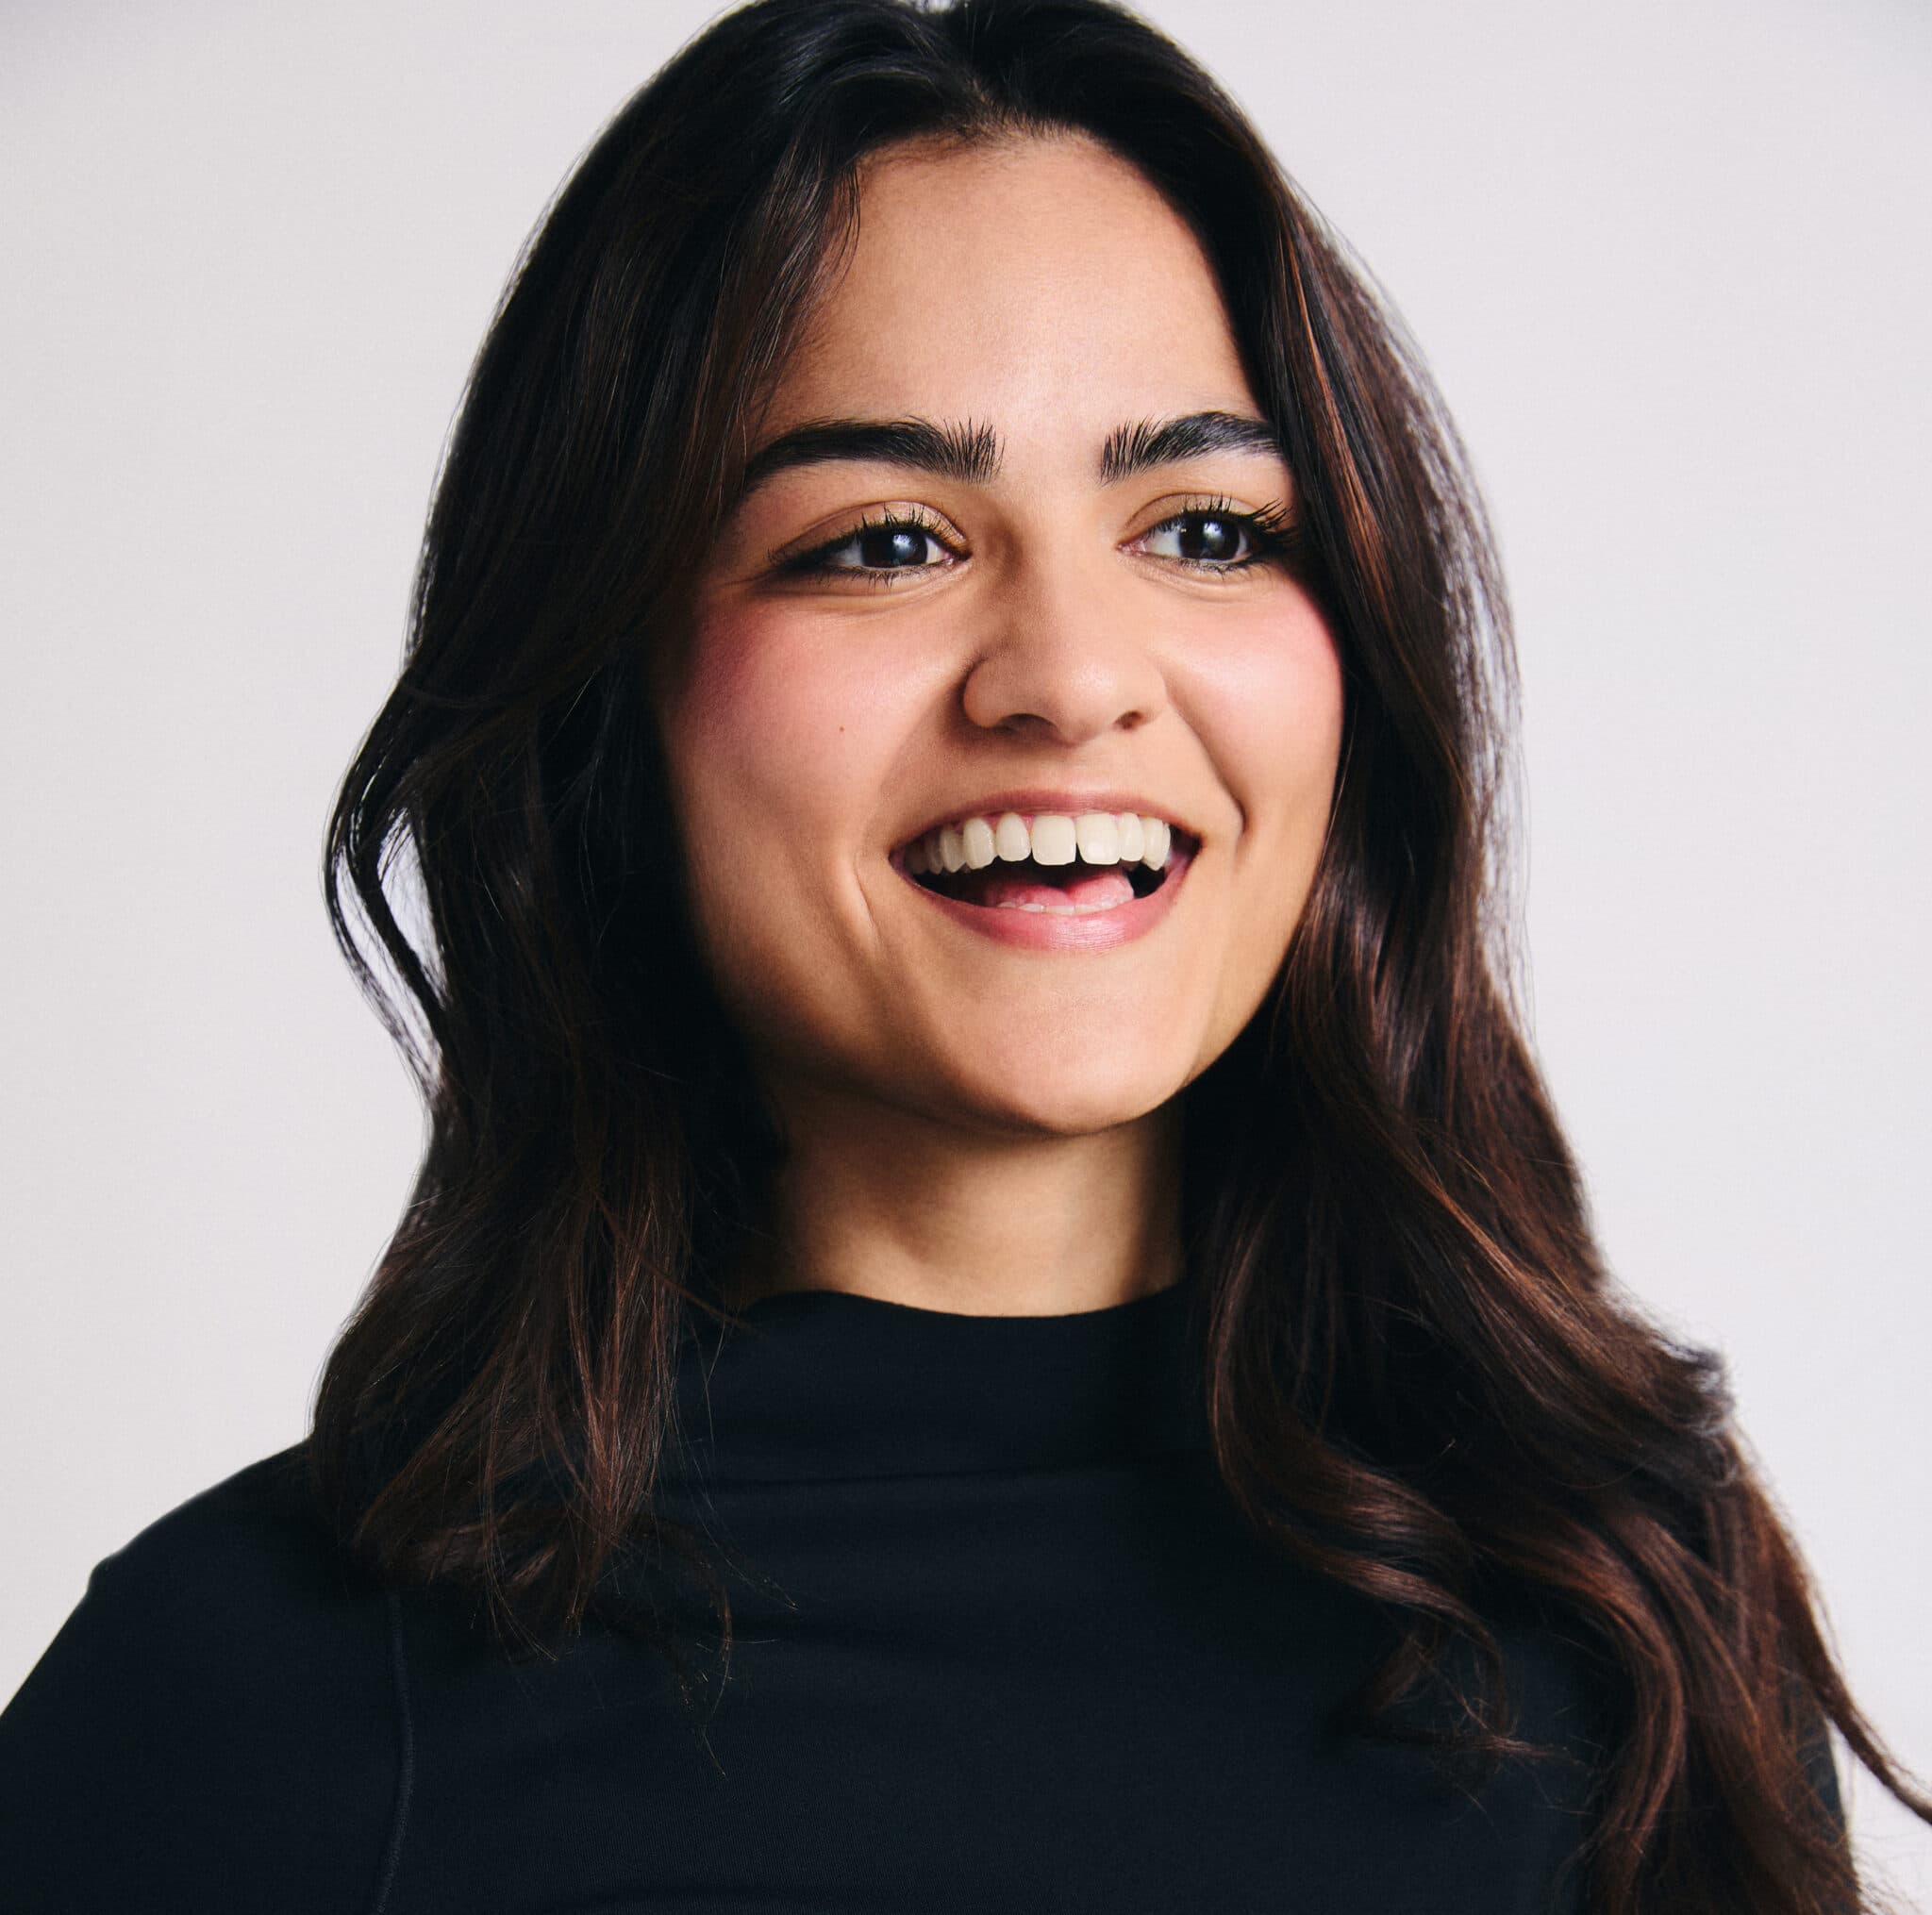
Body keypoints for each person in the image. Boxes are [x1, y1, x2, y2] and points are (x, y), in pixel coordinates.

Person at [1, 0, 1924, 1908]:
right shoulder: (249, 1702)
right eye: (888, 542)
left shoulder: (1628, 1610)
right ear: (612, 698)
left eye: (1203, 524)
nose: (1074, 679)